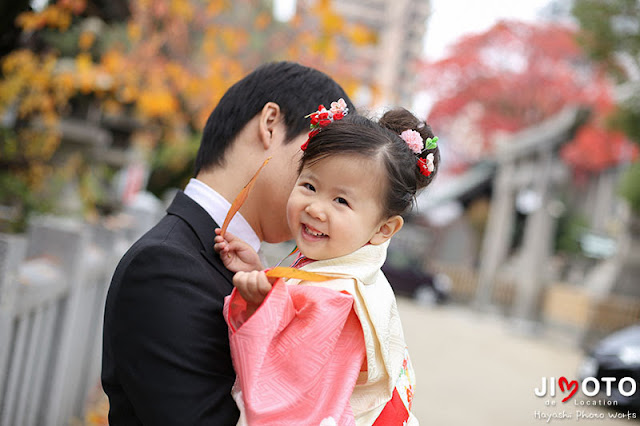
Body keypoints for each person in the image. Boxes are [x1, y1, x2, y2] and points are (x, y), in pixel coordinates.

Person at [101, 62, 355, 425]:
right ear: (270, 124)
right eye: (320, 159)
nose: (327, 194)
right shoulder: (166, 266)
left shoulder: (233, 262)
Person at [214, 104, 440, 424]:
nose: (316, 209)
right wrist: (260, 273)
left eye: (341, 201)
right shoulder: (349, 267)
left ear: (383, 229)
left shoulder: (339, 299)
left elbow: (289, 390)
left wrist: (259, 308)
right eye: (309, 186)